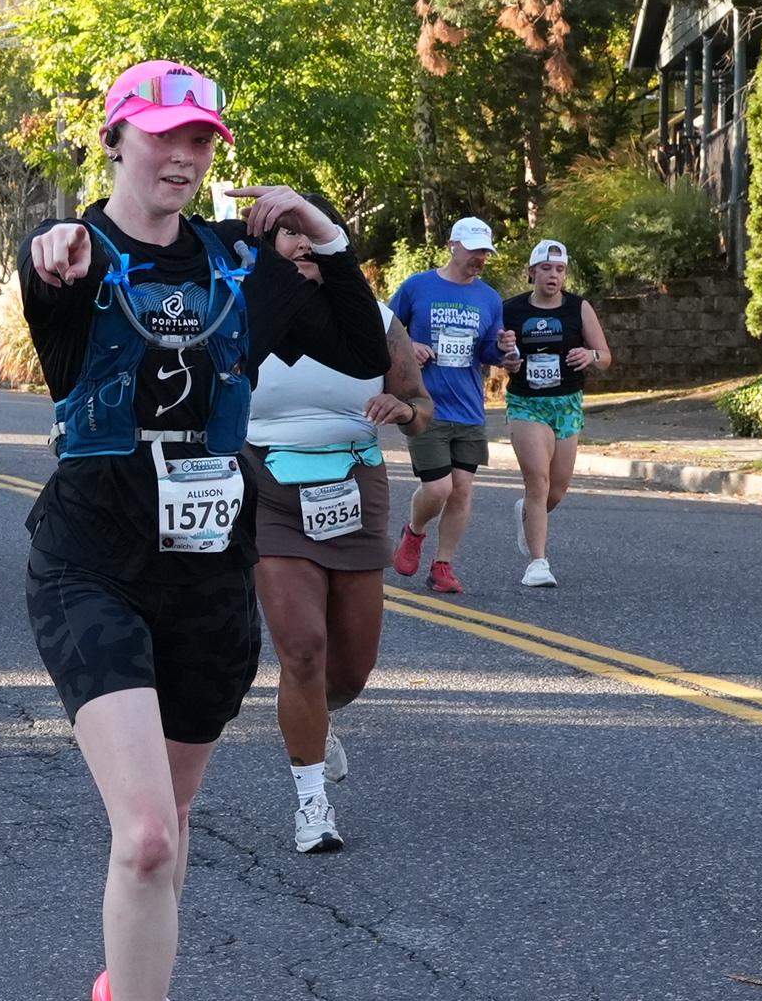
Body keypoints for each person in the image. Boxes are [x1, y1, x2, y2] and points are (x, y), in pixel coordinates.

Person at [18, 60, 390, 1001]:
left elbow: (362, 351)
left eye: (200, 140)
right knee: (142, 837)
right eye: (163, 135)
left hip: (208, 570)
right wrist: (50, 252)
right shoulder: (77, 254)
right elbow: (52, 276)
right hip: (92, 558)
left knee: (173, 834)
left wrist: (325, 236)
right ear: (117, 138)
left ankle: (132, 992)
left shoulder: (241, 263)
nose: (182, 157)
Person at [248, 201, 432, 854]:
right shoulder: (241, 312)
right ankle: (312, 804)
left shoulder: (374, 319)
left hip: (353, 485)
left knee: (350, 671)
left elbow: (422, 407)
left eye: (310, 232)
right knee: (302, 649)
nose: (300, 244)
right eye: (286, 233)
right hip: (267, 483)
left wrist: (402, 411)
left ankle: (316, 718)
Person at [388, 218, 519, 595]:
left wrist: (505, 352)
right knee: (438, 488)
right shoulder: (417, 286)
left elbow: (488, 351)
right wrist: (410, 347)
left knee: (461, 490)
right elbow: (384, 330)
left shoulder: (489, 298)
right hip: (425, 405)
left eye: (485, 252)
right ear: (452, 246)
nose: (479, 258)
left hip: (469, 407)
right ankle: (414, 532)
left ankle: (442, 565)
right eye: (474, 250)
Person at [503, 239, 611, 588]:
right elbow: (496, 351)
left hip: (566, 404)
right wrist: (507, 359)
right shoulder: (511, 309)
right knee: (538, 480)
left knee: (557, 489)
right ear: (532, 272)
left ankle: (525, 512)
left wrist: (590, 356)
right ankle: (538, 563)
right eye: (546, 269)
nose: (553, 275)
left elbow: (605, 356)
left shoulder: (579, 308)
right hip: (526, 403)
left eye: (559, 269)